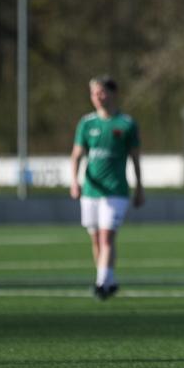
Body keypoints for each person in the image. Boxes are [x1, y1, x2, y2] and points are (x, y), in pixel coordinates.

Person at [69, 76, 144, 299]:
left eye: (101, 92)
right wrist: (75, 181)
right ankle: (109, 280)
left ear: (113, 93)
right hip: (91, 191)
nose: (97, 97)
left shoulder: (126, 124)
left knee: (106, 237)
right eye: (93, 93)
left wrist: (140, 187)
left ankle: (102, 282)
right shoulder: (86, 123)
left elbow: (135, 159)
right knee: (96, 239)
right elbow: (76, 156)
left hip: (116, 191)